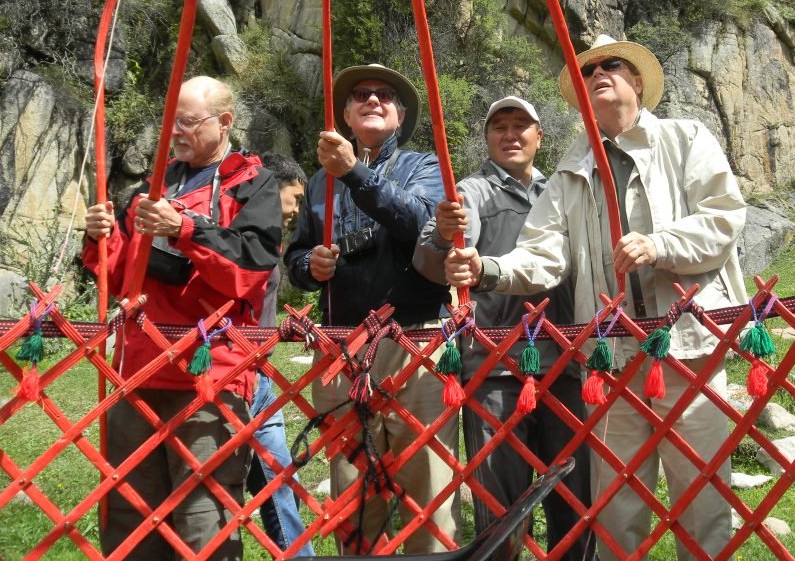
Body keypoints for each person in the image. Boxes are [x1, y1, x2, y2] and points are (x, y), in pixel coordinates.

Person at [445, 36, 745, 561]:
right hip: (611, 357)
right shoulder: (571, 170)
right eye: (589, 71)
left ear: (636, 82)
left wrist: (660, 244)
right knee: (614, 506)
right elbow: (542, 253)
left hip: (690, 346)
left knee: (702, 500)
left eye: (613, 65)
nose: (600, 73)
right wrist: (487, 268)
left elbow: (724, 216)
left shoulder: (685, 138)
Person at [83, 76, 283, 560]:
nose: (175, 132)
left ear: (225, 122)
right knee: (130, 509)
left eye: (188, 122)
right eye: (171, 122)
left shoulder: (254, 183)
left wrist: (186, 229)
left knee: (203, 517)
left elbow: (250, 270)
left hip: (208, 373)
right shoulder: (151, 187)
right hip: (138, 369)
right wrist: (100, 237)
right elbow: (118, 271)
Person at [284, 63, 458, 553]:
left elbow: (422, 223)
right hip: (340, 346)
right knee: (353, 491)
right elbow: (293, 257)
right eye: (361, 94)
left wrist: (355, 173)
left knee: (428, 487)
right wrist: (308, 266)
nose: (372, 100)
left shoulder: (426, 167)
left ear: (400, 115)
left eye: (385, 95)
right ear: (344, 112)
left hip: (415, 340)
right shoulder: (320, 181)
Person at [413, 96, 594, 560]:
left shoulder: (562, 191)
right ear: (487, 137)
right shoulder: (469, 193)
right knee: (502, 503)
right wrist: (441, 237)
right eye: (500, 127)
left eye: (521, 126)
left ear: (540, 136)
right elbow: (432, 261)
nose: (510, 134)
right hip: (494, 364)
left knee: (574, 496)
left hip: (566, 361)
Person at [246, 152, 313, 556]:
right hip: (229, 373)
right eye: (296, 198)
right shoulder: (240, 232)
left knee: (277, 479)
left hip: (261, 375)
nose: (296, 210)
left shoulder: (269, 237)